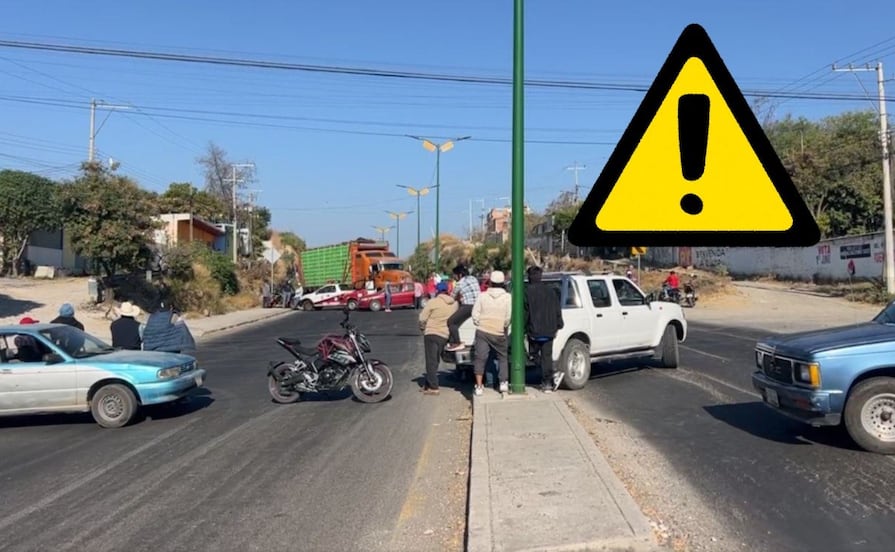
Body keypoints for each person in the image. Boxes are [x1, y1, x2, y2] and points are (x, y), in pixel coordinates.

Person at [523, 266, 565, 393]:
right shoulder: (551, 290)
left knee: (533, 355)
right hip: (549, 330)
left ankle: (549, 376)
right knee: (547, 356)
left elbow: (525, 312)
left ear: (529, 276)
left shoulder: (527, 292)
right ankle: (548, 382)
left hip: (534, 330)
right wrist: (559, 325)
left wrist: (523, 329)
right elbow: (557, 309)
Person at [471, 270, 511, 396]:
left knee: (480, 358)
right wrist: (503, 326)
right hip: (498, 331)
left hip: (483, 330)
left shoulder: (482, 296)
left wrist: (479, 322)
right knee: (502, 357)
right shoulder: (508, 297)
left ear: (491, 282)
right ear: (503, 283)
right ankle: (503, 382)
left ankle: (479, 386)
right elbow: (508, 317)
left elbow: (475, 313)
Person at [418, 281, 458, 395]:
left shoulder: (433, 302)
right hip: (444, 335)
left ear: (437, 291)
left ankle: (434, 387)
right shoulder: (453, 304)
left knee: (431, 361)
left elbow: (422, 318)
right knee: (435, 360)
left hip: (431, 333)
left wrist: (422, 328)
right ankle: (427, 384)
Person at [445, 264, 481, 352]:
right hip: (479, 305)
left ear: (460, 274)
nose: (454, 277)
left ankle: (457, 343)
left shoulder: (459, 283)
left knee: (451, 322)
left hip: (468, 306)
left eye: (455, 275)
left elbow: (452, 297)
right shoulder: (474, 278)